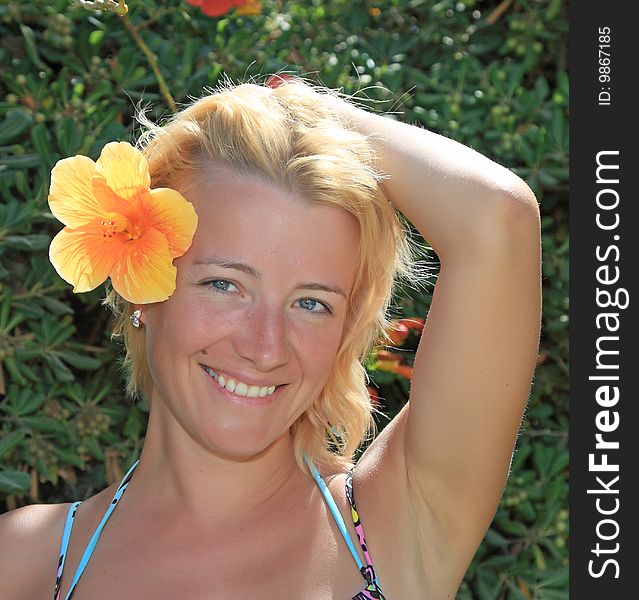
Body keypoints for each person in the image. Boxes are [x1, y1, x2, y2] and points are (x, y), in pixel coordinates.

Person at [0, 75, 541, 599]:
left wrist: (307, 109)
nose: (265, 347)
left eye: (311, 304)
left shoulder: (398, 522)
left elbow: (498, 218)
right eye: (224, 284)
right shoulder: (29, 561)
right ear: (143, 287)